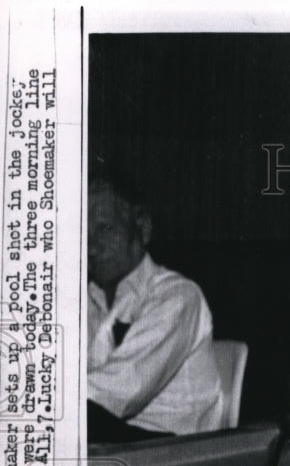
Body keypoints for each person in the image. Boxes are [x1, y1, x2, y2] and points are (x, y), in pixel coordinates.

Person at [87, 173, 225, 442]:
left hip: (172, 451)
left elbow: (120, 389)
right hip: (112, 445)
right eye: (84, 233)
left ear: (143, 229)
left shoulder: (177, 296)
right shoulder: (87, 301)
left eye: (105, 229)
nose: (91, 247)